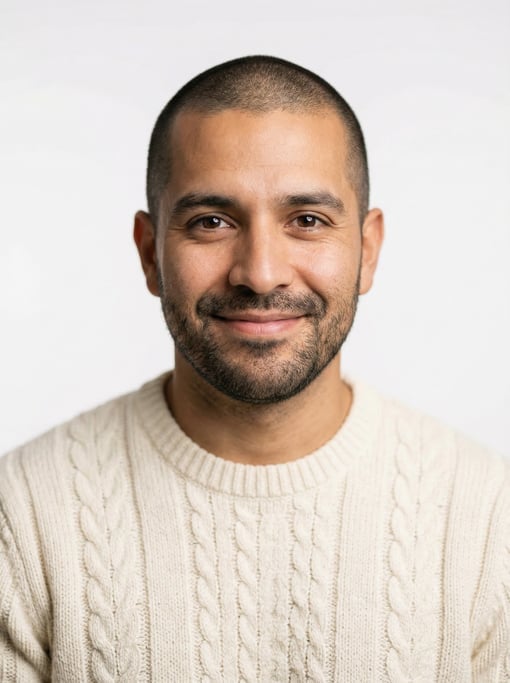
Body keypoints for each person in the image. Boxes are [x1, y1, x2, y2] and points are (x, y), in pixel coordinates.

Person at [0, 56, 508, 682]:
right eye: (211, 222)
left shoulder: (489, 520)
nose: (261, 272)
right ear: (150, 253)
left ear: (367, 252)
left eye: (307, 221)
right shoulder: (23, 517)